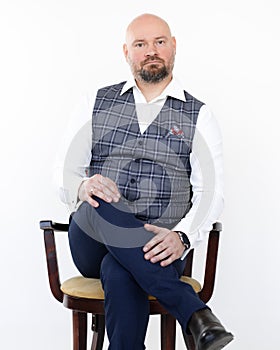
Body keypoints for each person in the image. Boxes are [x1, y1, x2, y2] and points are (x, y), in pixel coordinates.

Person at [58, 13, 233, 350]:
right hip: (92, 241)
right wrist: (83, 186)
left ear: (173, 47)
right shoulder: (94, 102)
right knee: (98, 198)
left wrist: (183, 237)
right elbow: (62, 172)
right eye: (141, 44)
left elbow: (211, 192)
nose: (151, 50)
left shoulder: (199, 115)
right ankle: (194, 313)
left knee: (120, 270)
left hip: (160, 249)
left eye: (159, 42)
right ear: (127, 52)